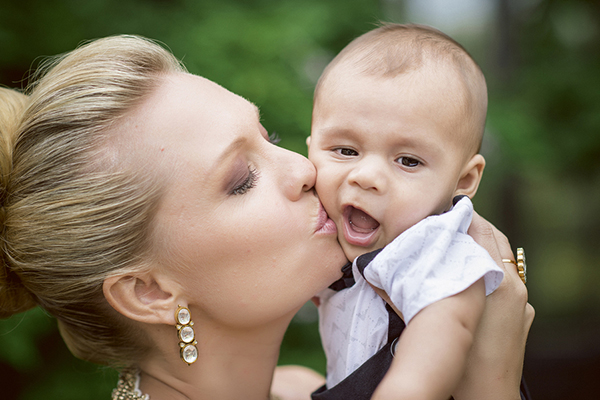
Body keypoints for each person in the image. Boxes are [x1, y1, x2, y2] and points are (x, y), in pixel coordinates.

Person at [0, 34, 533, 400]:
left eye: (269, 139)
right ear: (149, 292)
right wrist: (492, 379)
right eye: (241, 180)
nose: (305, 169)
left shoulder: (305, 385)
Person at [307, 24, 531, 399]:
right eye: (345, 150)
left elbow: (444, 325)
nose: (366, 176)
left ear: (463, 180)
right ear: (311, 147)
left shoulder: (433, 243)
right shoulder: (329, 223)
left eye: (407, 160)